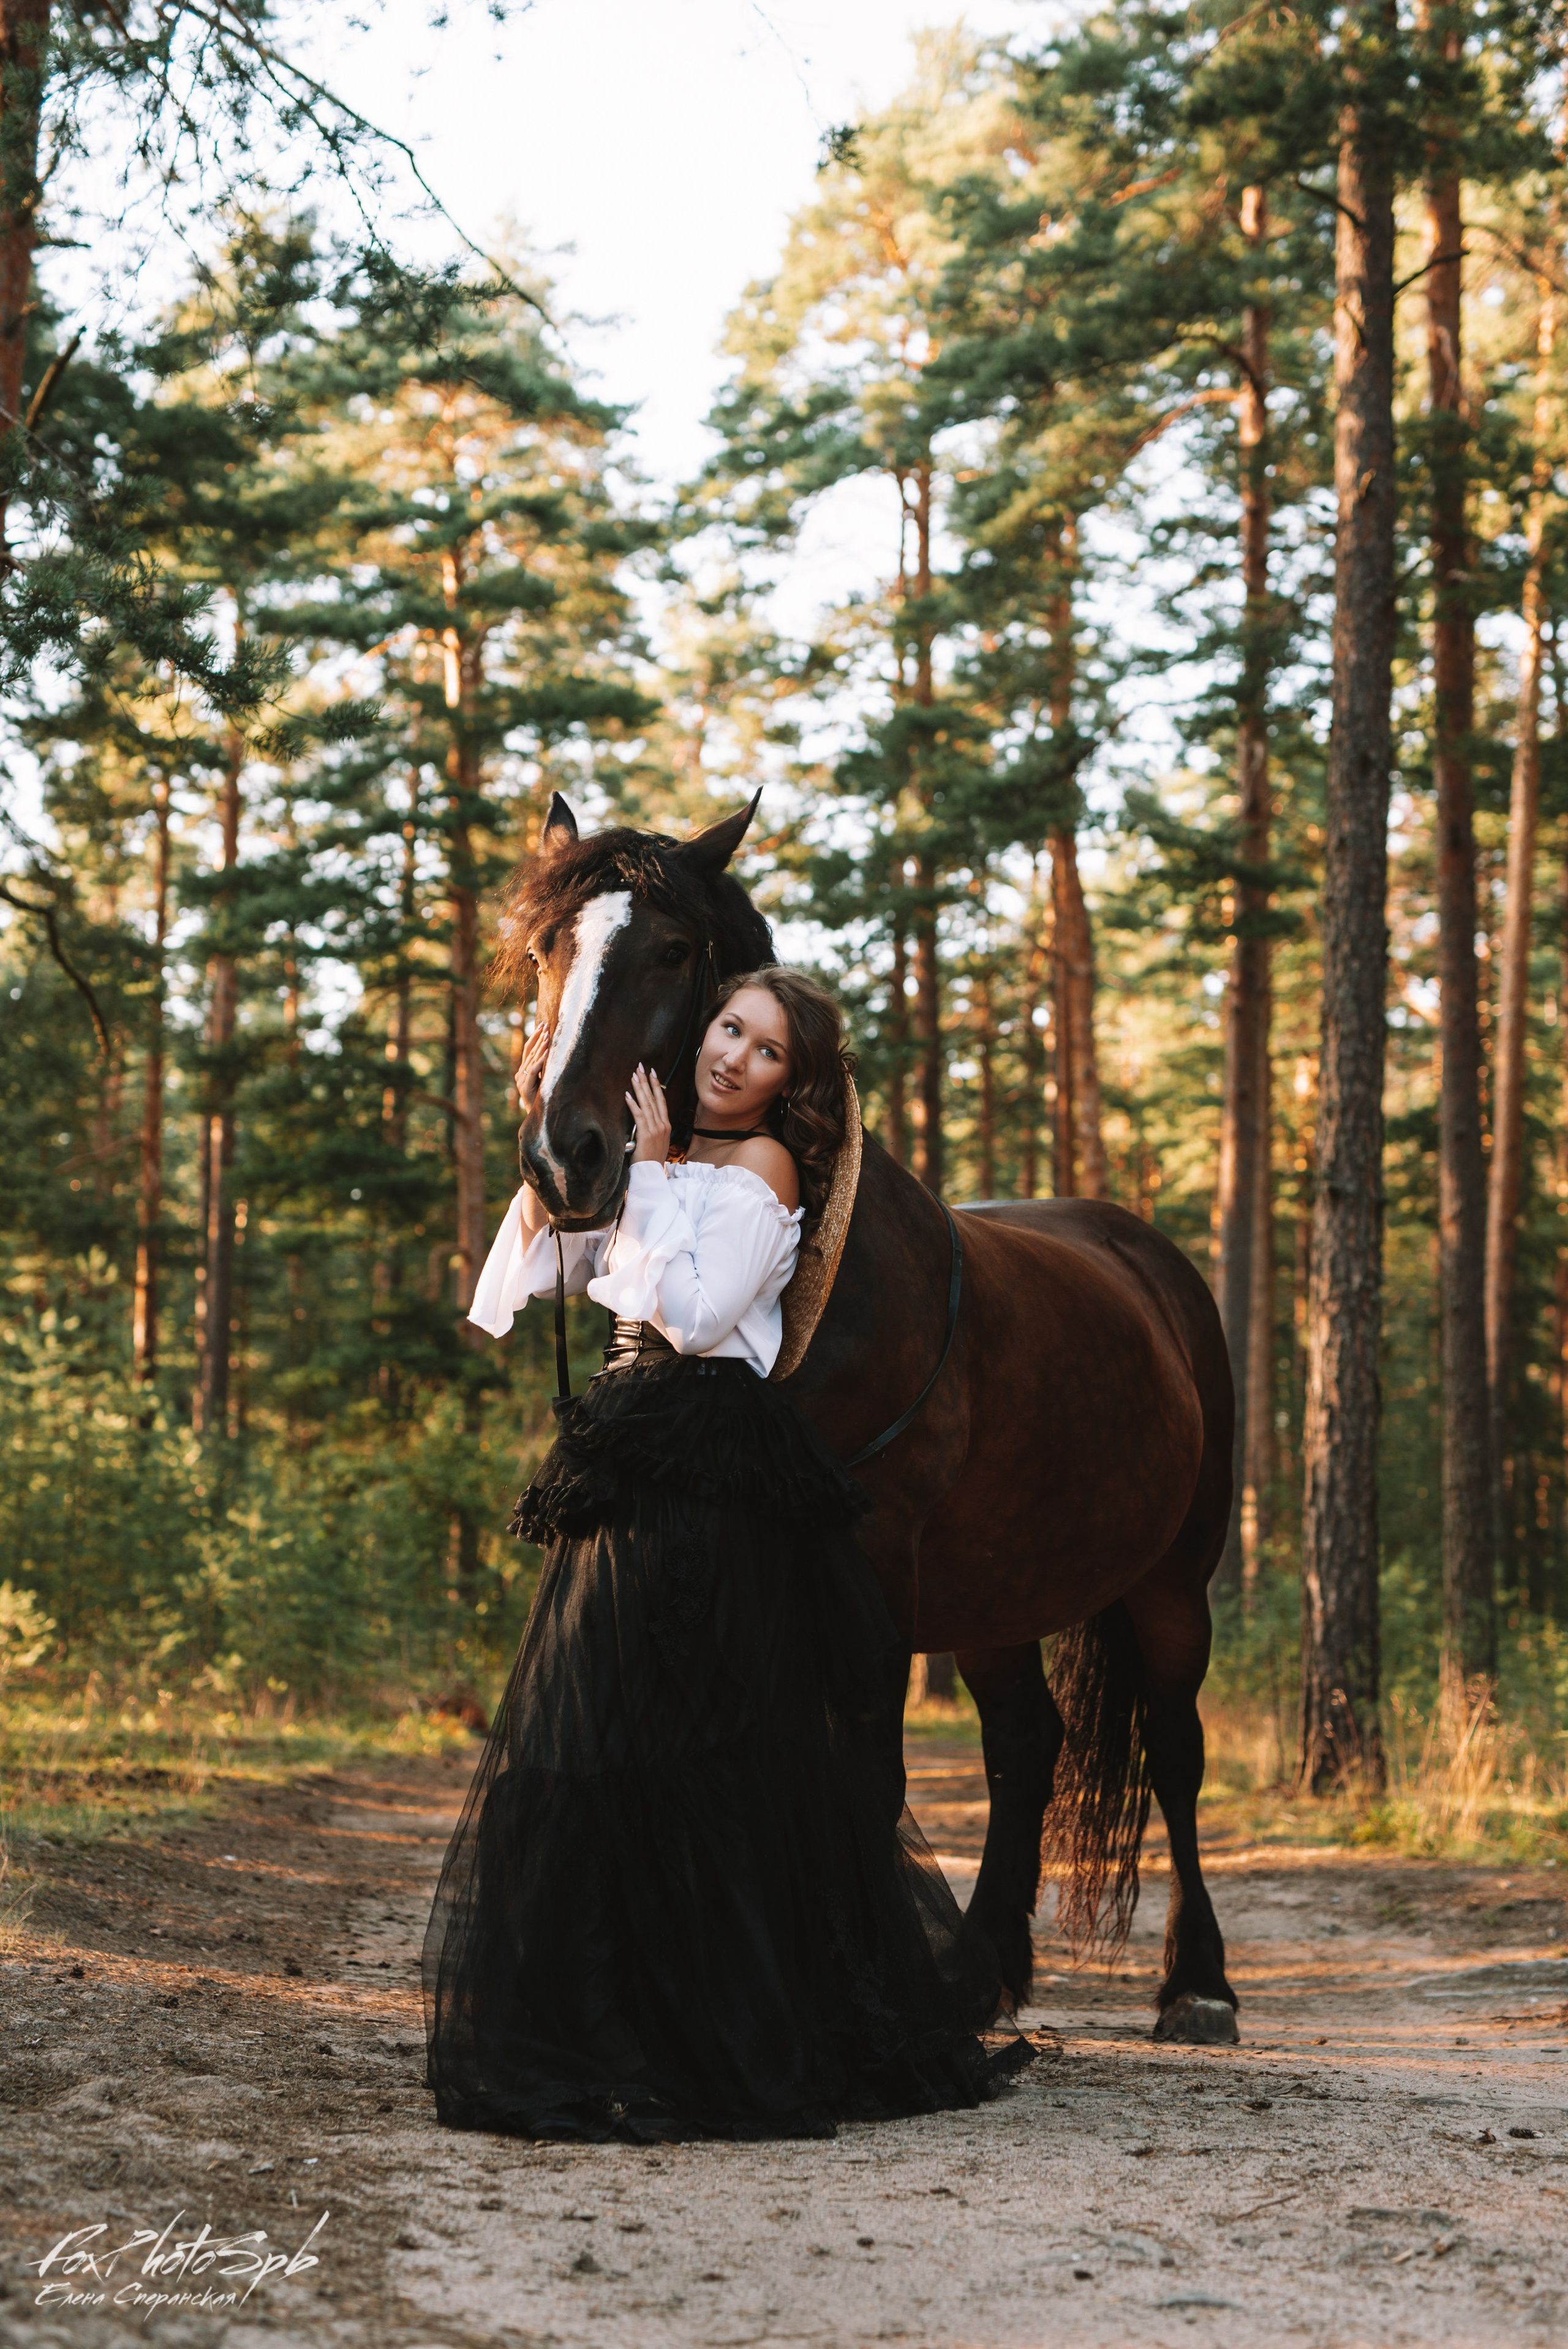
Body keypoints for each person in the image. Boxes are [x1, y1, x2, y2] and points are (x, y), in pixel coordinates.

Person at [421, 964, 1030, 2142]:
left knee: (699, 1754)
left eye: (766, 1051)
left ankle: (712, 2042)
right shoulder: (668, 1149)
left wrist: (648, 1177)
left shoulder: (766, 1169)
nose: (733, 1057)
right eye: (730, 1028)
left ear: (790, 1085)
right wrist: (563, 1171)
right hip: (625, 1437)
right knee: (588, 1742)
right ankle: (601, 2029)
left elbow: (699, 1318)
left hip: (705, 1456)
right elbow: (570, 1278)